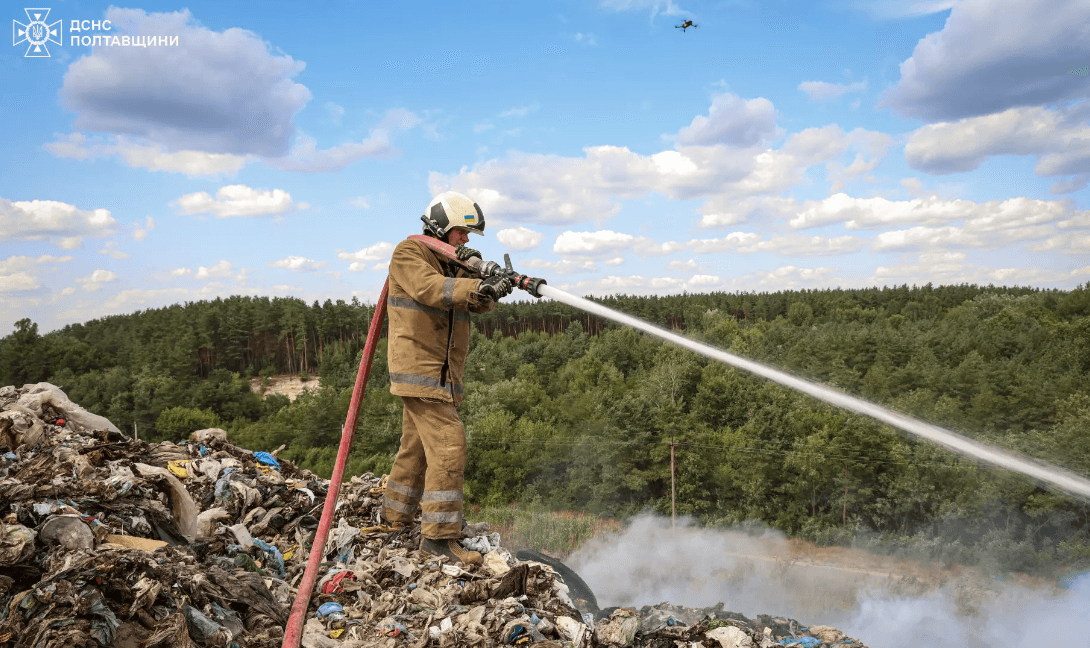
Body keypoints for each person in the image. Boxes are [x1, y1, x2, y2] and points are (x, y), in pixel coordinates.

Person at [381, 191, 513, 565]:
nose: (466, 241)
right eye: (461, 233)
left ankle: (394, 517)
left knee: (416, 449)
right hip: (421, 371)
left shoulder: (451, 262)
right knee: (449, 445)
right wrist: (476, 284)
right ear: (440, 227)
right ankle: (438, 539)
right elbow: (431, 289)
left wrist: (495, 286)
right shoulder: (410, 254)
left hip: (440, 376)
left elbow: (478, 300)